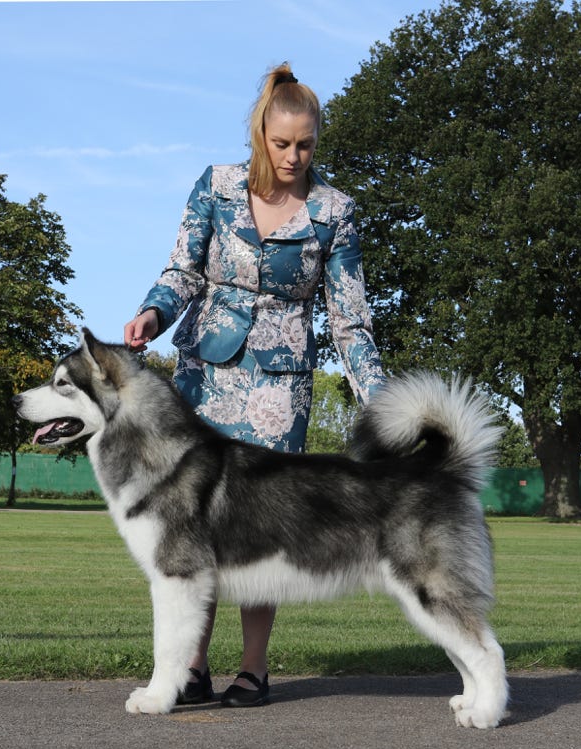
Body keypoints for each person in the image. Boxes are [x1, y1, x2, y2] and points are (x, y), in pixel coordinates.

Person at [123, 62, 386, 708]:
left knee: (261, 528)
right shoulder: (215, 187)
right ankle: (191, 669)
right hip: (202, 379)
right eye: (282, 143)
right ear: (259, 135)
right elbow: (182, 271)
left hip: (278, 390)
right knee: (191, 523)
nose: (294, 157)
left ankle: (254, 668)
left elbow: (350, 321)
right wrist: (153, 314)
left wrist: (382, 404)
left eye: (306, 145)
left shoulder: (335, 212)